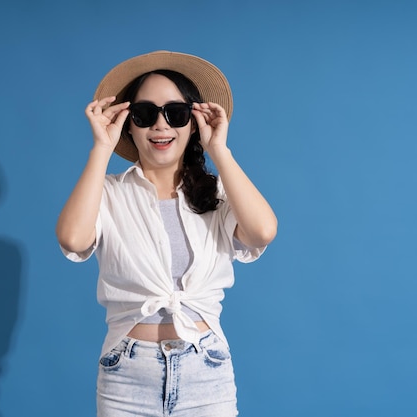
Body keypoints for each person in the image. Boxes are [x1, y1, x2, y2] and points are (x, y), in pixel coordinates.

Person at [56, 50, 277, 417]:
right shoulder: (107, 193)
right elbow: (73, 240)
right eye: (145, 114)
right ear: (129, 124)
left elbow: (262, 231)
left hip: (206, 371)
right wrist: (101, 148)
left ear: (193, 123)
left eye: (176, 113)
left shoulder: (218, 195)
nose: (161, 125)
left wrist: (218, 149)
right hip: (126, 377)